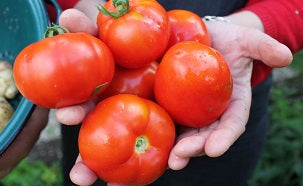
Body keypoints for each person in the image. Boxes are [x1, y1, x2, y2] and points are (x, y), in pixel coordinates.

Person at [1, 0, 302, 185]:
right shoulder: (111, 33)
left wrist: (257, 25)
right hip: (100, 110)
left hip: (227, 100)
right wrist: (79, 3)